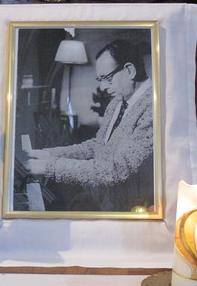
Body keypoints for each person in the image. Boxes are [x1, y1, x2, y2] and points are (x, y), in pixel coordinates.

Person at [24, 39, 154, 212]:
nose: (103, 87)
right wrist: (48, 154)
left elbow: (116, 170)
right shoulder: (117, 102)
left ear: (130, 70)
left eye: (107, 78)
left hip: (134, 211)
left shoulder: (153, 108)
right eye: (100, 79)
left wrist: (50, 166)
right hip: (108, 205)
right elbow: (98, 146)